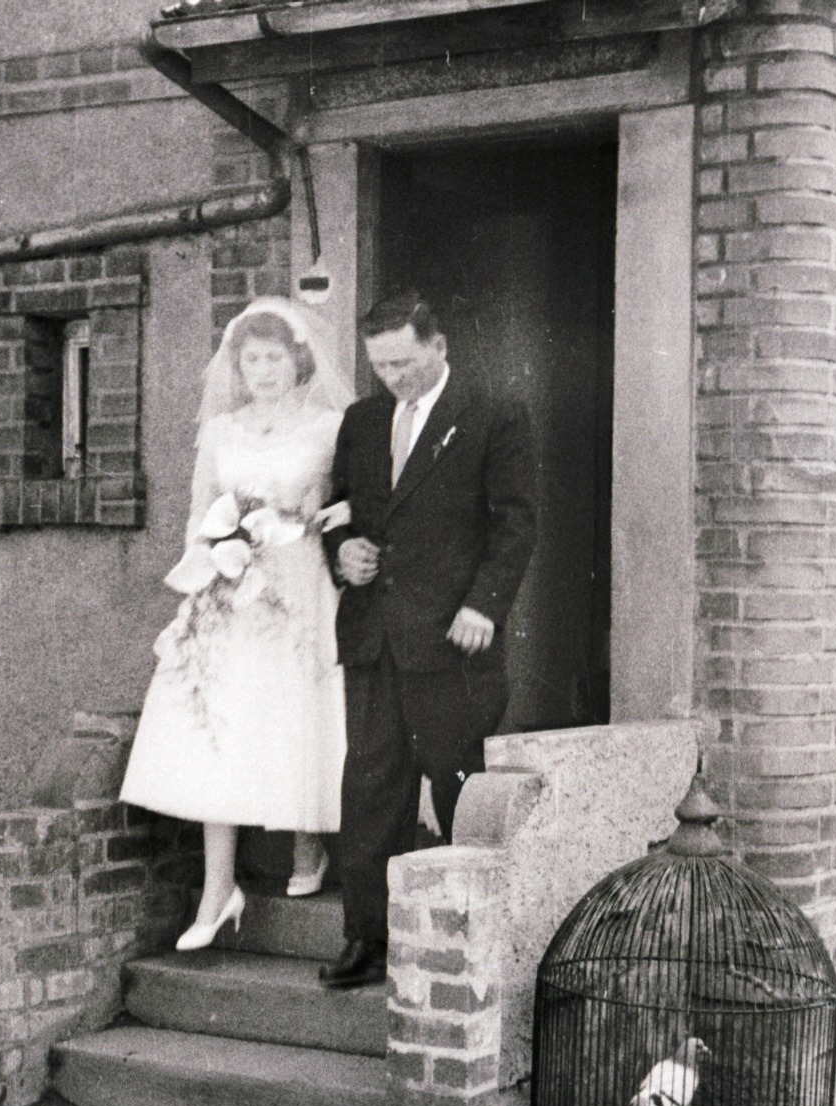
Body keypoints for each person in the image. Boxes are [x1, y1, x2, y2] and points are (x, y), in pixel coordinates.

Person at [319, 290, 537, 989]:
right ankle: (366, 938)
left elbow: (515, 522)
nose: (393, 378)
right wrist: (341, 552)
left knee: (455, 785)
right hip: (375, 637)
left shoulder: (491, 413)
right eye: (380, 365)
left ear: (437, 347)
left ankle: (464, 945)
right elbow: (340, 509)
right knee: (371, 787)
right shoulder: (361, 420)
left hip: (452, 639)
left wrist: (486, 604)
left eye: (404, 362)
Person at [120, 298, 353, 949]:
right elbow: (199, 516)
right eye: (251, 358)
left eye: (275, 356)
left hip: (300, 587)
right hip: (231, 592)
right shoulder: (222, 431)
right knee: (218, 727)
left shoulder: (327, 426)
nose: (264, 369)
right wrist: (214, 562)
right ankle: (219, 889)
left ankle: (310, 847)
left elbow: (355, 497)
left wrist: (317, 512)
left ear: (297, 358)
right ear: (237, 365)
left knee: (295, 711)